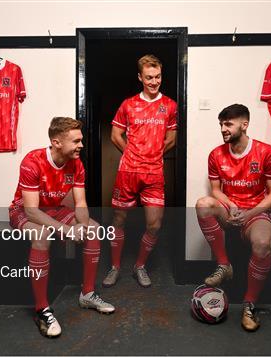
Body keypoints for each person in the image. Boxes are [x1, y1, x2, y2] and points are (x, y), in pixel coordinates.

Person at [9, 117, 115, 338]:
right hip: (25, 211)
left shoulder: (77, 164)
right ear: (57, 142)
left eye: (81, 140)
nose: (81, 145)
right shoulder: (32, 161)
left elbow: (81, 203)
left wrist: (82, 227)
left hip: (54, 209)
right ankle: (42, 309)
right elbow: (31, 211)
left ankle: (87, 294)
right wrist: (66, 230)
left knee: (94, 229)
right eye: (76, 141)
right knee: (42, 234)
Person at [195, 104, 271, 332]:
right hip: (230, 211)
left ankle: (249, 305)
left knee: (263, 244)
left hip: (255, 213)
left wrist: (250, 213)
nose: (223, 129)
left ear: (244, 125)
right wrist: (231, 205)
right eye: (221, 124)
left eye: (228, 124)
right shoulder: (216, 154)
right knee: (203, 204)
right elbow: (216, 190)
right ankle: (224, 266)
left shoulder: (267, 153)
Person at [102, 54, 178, 288]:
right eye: (149, 78)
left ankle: (140, 266)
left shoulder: (170, 106)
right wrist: (131, 153)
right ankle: (114, 267)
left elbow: (172, 138)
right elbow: (115, 135)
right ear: (140, 77)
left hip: (154, 173)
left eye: (157, 77)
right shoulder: (128, 104)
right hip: (128, 172)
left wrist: (153, 154)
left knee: (155, 224)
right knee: (119, 219)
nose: (154, 82)